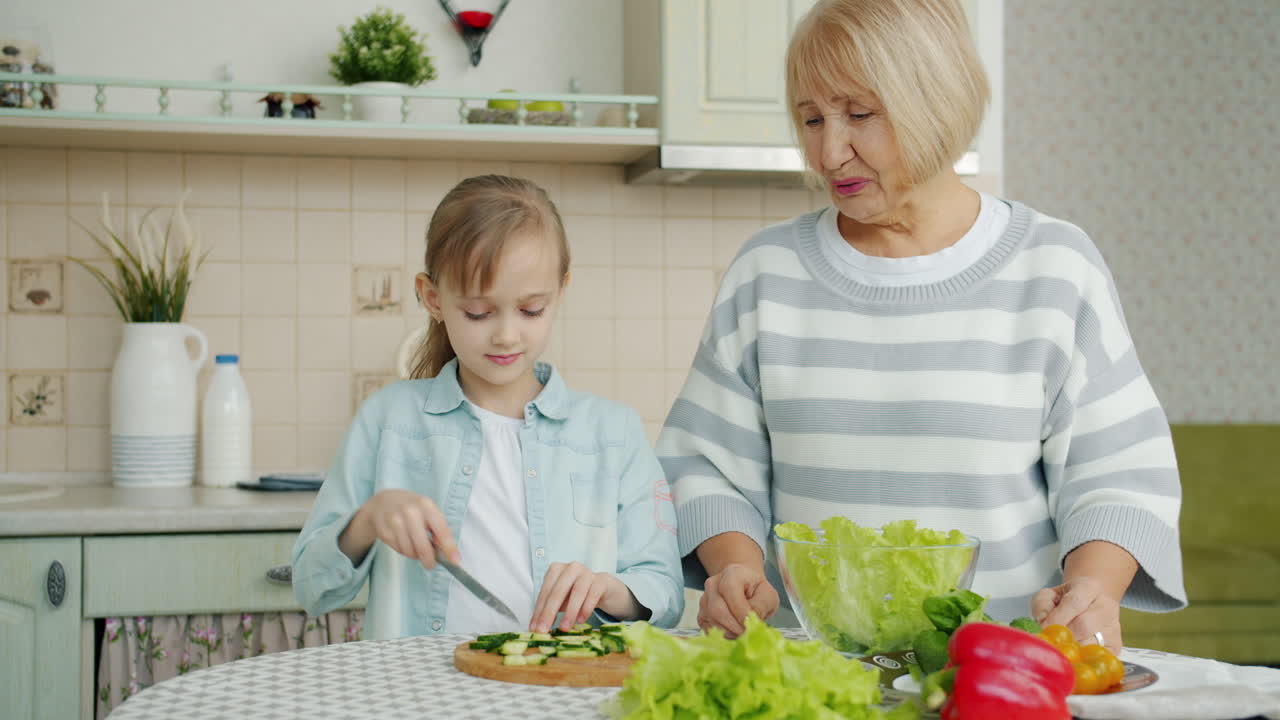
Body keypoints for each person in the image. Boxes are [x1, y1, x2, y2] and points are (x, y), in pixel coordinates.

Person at [658, 0, 1185, 654]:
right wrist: (735, 570)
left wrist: (1093, 590)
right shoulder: (767, 273)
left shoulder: (1054, 266)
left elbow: (1118, 471)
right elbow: (706, 466)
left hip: (1000, 671)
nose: (829, 150)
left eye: (859, 114)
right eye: (811, 119)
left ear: (935, 98)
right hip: (817, 678)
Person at [293, 174, 683, 639]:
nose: (506, 335)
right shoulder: (388, 420)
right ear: (432, 298)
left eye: (531, 310)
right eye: (479, 313)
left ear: (561, 292)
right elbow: (311, 588)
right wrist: (367, 520)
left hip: (562, 698)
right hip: (421, 700)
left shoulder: (613, 432)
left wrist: (607, 590)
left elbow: (665, 592)